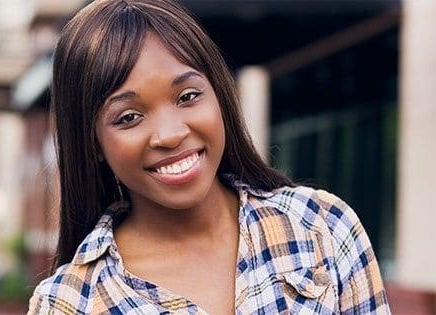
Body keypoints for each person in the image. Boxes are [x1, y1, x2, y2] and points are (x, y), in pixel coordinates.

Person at [27, 0, 390, 314]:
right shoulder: (69, 302)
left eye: (187, 96)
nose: (170, 134)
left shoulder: (321, 225)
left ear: (220, 97)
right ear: (92, 144)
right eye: (128, 117)